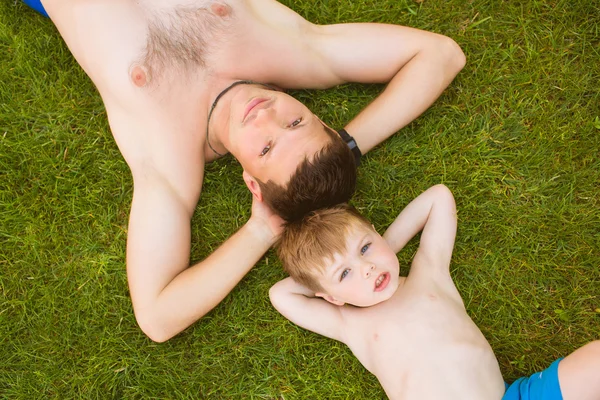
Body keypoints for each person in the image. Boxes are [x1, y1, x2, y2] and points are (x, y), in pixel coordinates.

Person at [32, 0, 466, 342]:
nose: (267, 115)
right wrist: (345, 147)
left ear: (252, 183)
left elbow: (157, 317)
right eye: (298, 122)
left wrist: (260, 231)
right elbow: (441, 55)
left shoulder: (167, 156)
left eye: (267, 146)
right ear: (323, 121)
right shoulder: (290, 51)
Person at [270, 185, 600, 400]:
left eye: (366, 247)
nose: (367, 268)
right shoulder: (348, 322)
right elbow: (281, 294)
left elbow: (439, 197)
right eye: (345, 274)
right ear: (331, 297)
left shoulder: (428, 273)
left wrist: (386, 248)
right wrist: (321, 280)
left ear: (375, 232)